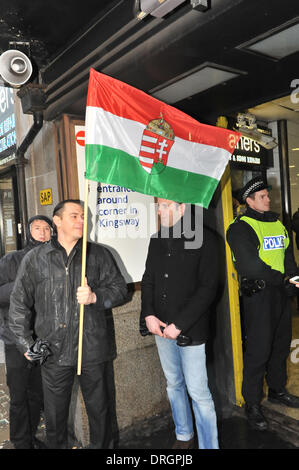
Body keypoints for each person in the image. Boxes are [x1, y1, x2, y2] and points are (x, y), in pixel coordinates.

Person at [9, 199, 128, 449]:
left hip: (92, 349)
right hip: (53, 352)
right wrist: (27, 345)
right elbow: (18, 304)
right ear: (57, 221)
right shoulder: (35, 259)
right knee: (55, 419)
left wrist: (96, 297)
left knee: (100, 413)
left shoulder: (98, 254)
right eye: (74, 216)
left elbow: (119, 290)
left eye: (84, 216)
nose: (82, 221)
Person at [140, 198, 219, 450]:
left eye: (166, 206)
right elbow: (149, 279)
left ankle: (209, 445)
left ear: (182, 208)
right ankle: (183, 434)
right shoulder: (157, 239)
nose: (161, 211)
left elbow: (208, 289)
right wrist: (148, 314)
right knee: (173, 383)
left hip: (190, 329)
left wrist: (180, 324)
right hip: (160, 327)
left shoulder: (206, 239)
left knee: (198, 391)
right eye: (159, 207)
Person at [226, 176, 299, 431]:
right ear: (249, 200)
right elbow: (251, 266)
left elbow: (287, 255)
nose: (269, 199)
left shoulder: (277, 223)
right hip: (259, 296)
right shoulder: (240, 228)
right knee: (258, 351)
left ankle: (278, 390)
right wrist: (284, 280)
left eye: (268, 195)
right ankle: (252, 403)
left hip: (279, 294)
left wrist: (294, 278)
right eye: (263, 197)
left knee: (280, 346)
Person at [0, 215, 52, 449]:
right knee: (19, 395)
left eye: (46, 228)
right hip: (16, 340)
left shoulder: (56, 259)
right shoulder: (12, 260)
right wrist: (22, 286)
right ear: (28, 232)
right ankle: (20, 442)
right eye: (37, 228)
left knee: (37, 394)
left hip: (45, 338)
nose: (42, 232)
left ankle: (30, 437)